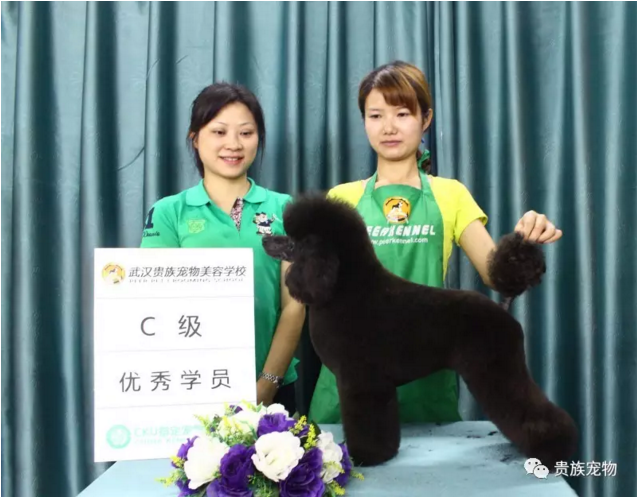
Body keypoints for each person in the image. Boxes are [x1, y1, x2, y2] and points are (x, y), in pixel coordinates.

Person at [308, 61, 563, 424]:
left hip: (425, 382)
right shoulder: (340, 199)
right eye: (376, 115)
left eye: (402, 114)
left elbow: (496, 275)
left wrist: (522, 242)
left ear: (425, 119)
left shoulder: (451, 194)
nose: (389, 127)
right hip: (348, 392)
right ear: (364, 121)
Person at [140, 82, 306, 414]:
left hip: (273, 388)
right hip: (192, 387)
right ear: (195, 138)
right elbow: (154, 304)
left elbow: (294, 304)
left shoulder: (284, 208)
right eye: (219, 132)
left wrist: (267, 383)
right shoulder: (169, 212)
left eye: (246, 133)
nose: (234, 144)